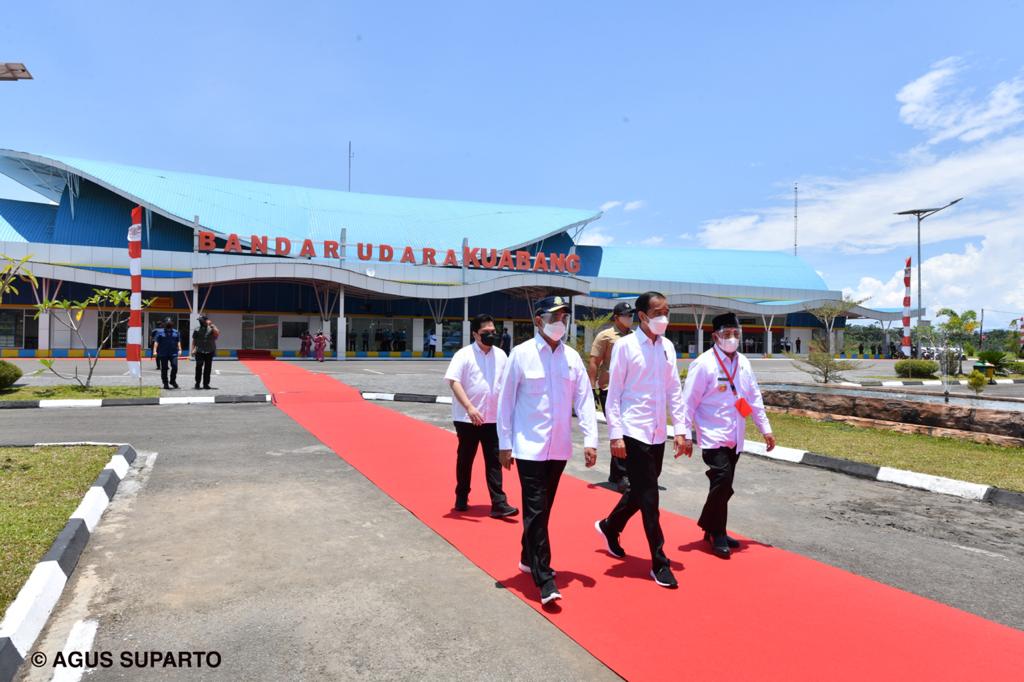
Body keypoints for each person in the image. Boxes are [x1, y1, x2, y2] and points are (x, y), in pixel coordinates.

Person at [497, 295, 598, 605]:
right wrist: (504, 444)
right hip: (528, 447)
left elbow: (583, 400)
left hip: (558, 448)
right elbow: (506, 401)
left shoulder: (571, 358)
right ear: (538, 320)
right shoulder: (521, 354)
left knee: (541, 510)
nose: (560, 323)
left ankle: (528, 558)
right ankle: (545, 578)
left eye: (564, 317)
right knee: (537, 509)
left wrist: (591, 439)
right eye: (554, 317)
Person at [595, 292, 687, 589]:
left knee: (642, 488)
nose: (665, 317)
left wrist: (681, 430)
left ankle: (610, 526)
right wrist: (616, 435)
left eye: (667, 311)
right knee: (650, 497)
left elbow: (674, 390)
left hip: (658, 431)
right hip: (633, 431)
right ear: (643, 315)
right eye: (658, 312)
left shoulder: (668, 347)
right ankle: (659, 561)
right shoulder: (624, 347)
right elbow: (614, 394)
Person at [679, 312, 775, 559]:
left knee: (724, 486)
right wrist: (684, 434)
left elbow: (753, 398)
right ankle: (715, 531)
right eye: (726, 334)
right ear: (715, 336)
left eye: (736, 334)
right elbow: (687, 402)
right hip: (712, 434)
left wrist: (766, 429)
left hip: (736, 434)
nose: (732, 338)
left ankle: (714, 528)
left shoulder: (743, 362)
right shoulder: (703, 364)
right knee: (721, 480)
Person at [445, 313, 517, 518]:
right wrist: (469, 407)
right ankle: (461, 496)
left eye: (493, 332)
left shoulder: (501, 355)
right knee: (465, 459)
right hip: (467, 419)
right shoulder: (464, 354)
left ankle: (499, 503)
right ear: (475, 333)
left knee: (494, 461)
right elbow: (453, 381)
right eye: (486, 333)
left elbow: (507, 385)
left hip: (493, 418)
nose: (491, 335)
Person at [588, 301, 635, 492]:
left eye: (631, 315)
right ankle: (622, 474)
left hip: (630, 390)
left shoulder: (634, 337)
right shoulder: (605, 336)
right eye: (626, 315)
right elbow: (594, 362)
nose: (629, 318)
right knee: (619, 430)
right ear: (616, 317)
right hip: (609, 388)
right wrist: (591, 387)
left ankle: (618, 473)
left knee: (629, 432)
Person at [152, 317, 181, 389]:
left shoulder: (176, 332)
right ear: (164, 324)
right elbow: (156, 342)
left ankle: (172, 381)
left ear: (172, 324)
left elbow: (178, 341)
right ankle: (165, 383)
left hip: (173, 353)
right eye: (167, 323)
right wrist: (154, 351)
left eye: (170, 323)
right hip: (163, 353)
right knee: (164, 369)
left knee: (175, 367)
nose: (169, 324)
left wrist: (180, 349)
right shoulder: (159, 332)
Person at [191, 314, 219, 390]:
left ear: (205, 321)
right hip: (199, 351)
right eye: (199, 321)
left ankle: (206, 384)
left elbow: (217, 334)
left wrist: (212, 325)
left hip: (209, 351)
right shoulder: (197, 329)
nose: (200, 322)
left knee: (208, 368)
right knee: (198, 367)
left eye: (201, 320)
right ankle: (197, 383)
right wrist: (193, 349)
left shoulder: (211, 328)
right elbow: (194, 340)